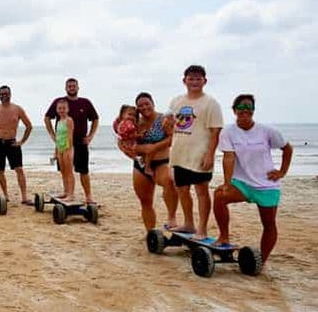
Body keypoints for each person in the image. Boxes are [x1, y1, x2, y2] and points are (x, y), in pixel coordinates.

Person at [213, 95, 293, 263]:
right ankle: (224, 237)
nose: (244, 113)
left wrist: (282, 172)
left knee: (269, 223)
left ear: (253, 111)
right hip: (242, 183)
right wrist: (227, 183)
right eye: (240, 110)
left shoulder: (267, 131)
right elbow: (228, 157)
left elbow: (287, 148)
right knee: (220, 195)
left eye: (248, 110)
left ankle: (261, 260)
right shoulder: (228, 131)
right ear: (234, 111)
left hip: (266, 185)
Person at [165, 65, 223, 239]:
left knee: (201, 191)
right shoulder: (176, 101)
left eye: (198, 78)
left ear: (205, 81)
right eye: (191, 78)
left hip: (200, 155)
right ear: (184, 81)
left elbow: (215, 132)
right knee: (182, 189)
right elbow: (171, 127)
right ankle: (189, 223)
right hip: (179, 153)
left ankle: (202, 229)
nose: (194, 82)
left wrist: (210, 154)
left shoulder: (210, 103)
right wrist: (167, 124)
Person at [116, 93, 178, 231]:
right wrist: (130, 150)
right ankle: (150, 232)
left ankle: (172, 218)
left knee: (170, 182)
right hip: (141, 165)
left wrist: (154, 147)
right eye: (140, 105)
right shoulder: (134, 122)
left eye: (147, 104)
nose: (144, 107)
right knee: (145, 201)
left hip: (162, 161)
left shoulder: (163, 119)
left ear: (152, 103)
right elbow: (121, 139)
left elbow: (172, 138)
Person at [44, 78, 99, 204]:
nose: (71, 88)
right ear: (66, 88)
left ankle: (88, 196)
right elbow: (47, 118)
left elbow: (95, 119)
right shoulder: (59, 102)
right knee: (65, 170)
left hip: (80, 143)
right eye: (69, 86)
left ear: (78, 87)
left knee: (83, 171)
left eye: (74, 86)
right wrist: (53, 136)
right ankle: (67, 192)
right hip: (63, 143)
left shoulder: (85, 103)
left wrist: (90, 136)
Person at [0, 85, 33, 204]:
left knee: (19, 169)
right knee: (0, 170)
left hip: (12, 143)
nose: (4, 96)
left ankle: (24, 197)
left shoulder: (17, 109)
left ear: (10, 94)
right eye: (1, 94)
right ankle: (6, 195)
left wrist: (22, 141)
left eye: (6, 94)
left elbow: (29, 126)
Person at [53, 99, 75, 200]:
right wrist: (56, 151)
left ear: (68, 109)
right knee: (63, 172)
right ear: (57, 110)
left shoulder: (69, 120)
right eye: (60, 108)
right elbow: (57, 137)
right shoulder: (59, 121)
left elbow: (70, 136)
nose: (62, 110)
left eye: (64, 108)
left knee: (69, 172)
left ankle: (71, 194)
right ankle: (66, 192)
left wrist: (69, 150)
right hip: (60, 149)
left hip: (67, 149)